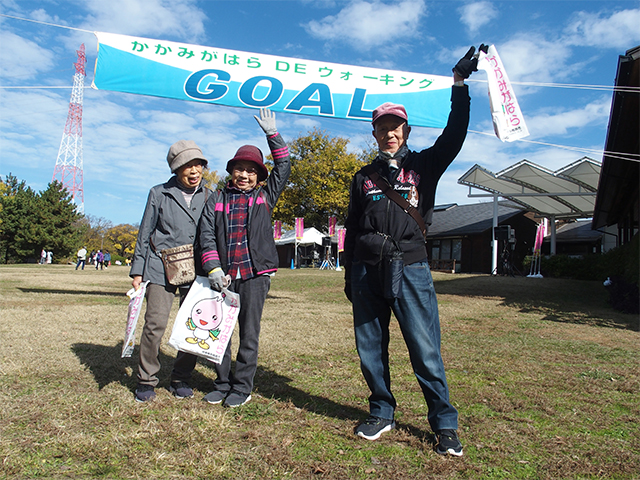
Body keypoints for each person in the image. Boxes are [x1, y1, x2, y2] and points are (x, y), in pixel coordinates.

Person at [343, 45, 484, 457]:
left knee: (424, 347)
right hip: (367, 270)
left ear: (405, 131)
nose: (389, 132)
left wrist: (459, 85)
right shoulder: (362, 177)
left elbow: (455, 133)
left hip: (412, 268)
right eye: (382, 127)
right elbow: (352, 227)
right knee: (370, 346)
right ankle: (382, 411)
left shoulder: (424, 166)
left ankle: (444, 424)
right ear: (373, 132)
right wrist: (351, 273)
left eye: (396, 127)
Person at [194, 108, 290, 408]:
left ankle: (242, 387)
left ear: (259, 174)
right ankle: (221, 383)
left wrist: (272, 135)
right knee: (219, 330)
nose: (245, 174)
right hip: (223, 276)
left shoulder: (265, 196)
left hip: (255, 276)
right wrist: (212, 267)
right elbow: (206, 235)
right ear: (231, 171)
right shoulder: (217, 199)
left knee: (249, 333)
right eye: (240, 168)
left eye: (251, 170)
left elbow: (284, 166)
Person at [129, 139, 211, 402]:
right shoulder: (158, 193)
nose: (194, 170)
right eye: (188, 165)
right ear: (176, 169)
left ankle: (181, 378)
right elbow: (144, 234)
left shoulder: (210, 195)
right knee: (154, 325)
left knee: (193, 327)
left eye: (198, 164)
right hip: (159, 267)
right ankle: (146, 379)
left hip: (196, 269)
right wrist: (137, 271)